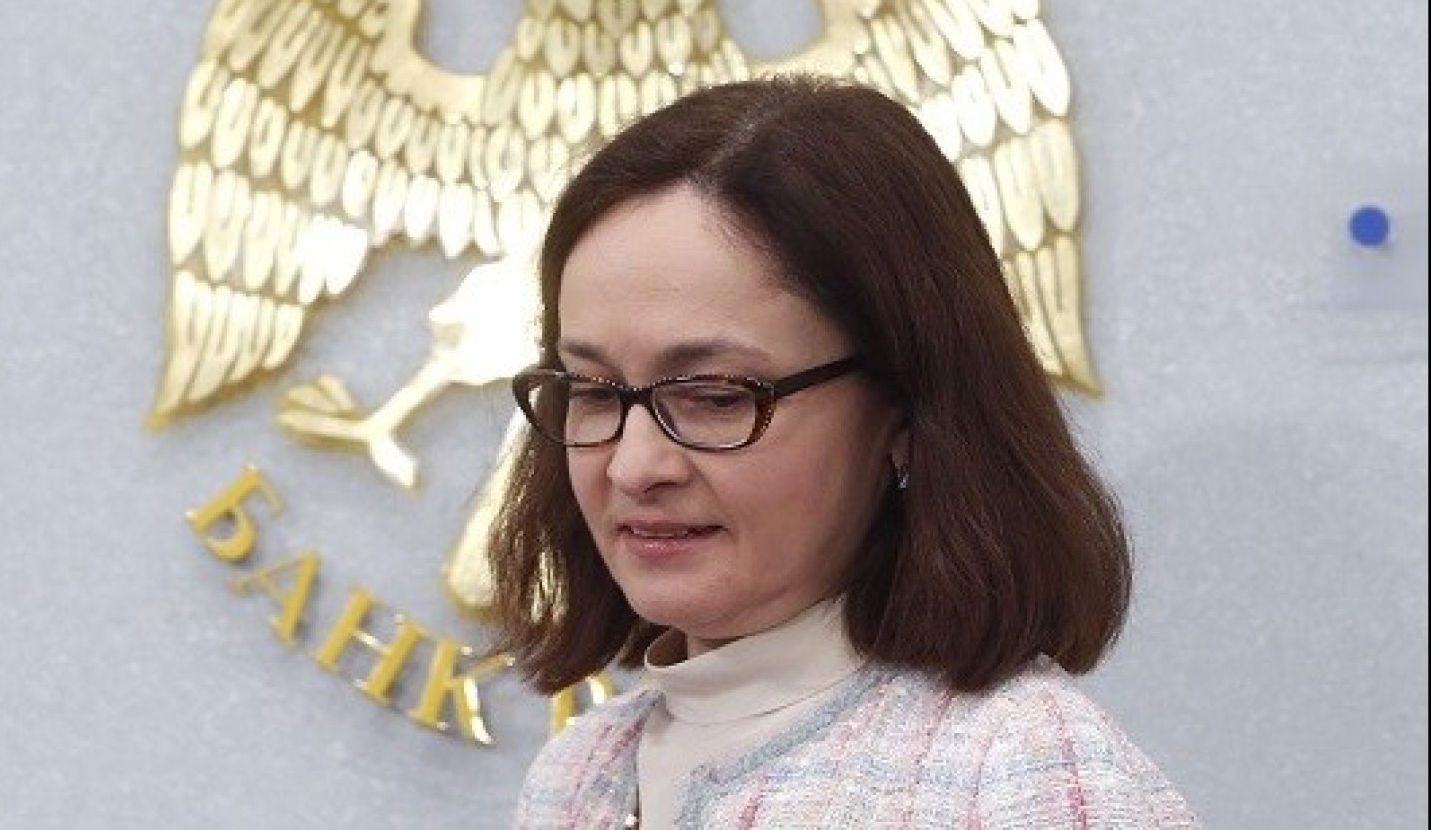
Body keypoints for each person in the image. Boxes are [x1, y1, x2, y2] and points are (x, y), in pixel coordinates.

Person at [486, 75, 1197, 828]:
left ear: (904, 408)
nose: (634, 467)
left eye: (716, 396)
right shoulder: (578, 773)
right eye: (594, 391)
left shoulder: (1022, 774)